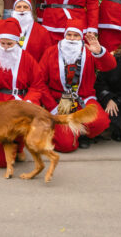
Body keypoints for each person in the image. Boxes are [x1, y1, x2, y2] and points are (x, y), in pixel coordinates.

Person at [0, 19, 48, 168]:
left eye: (9, 44)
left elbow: (37, 85)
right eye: (3, 43)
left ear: (16, 42)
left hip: (18, 103)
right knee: (0, 162)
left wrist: (29, 102)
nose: (5, 48)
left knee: (21, 124)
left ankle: (19, 145)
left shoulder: (28, 59)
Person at [40, 21, 114, 152]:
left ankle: (79, 134)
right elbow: (40, 82)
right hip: (60, 101)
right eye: (69, 35)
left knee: (101, 122)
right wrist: (52, 106)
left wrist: (100, 52)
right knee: (66, 145)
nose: (72, 39)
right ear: (64, 36)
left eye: (76, 35)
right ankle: (60, 131)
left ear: (81, 37)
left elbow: (110, 66)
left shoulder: (89, 51)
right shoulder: (51, 52)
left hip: (83, 98)